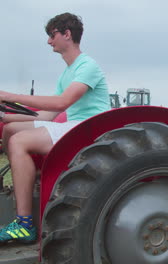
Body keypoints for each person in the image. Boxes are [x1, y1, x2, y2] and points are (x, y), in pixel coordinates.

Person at [0, 13, 110, 244]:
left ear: (67, 34)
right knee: (10, 131)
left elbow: (61, 104)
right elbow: (47, 115)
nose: (49, 41)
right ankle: (31, 180)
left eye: (52, 35)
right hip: (73, 124)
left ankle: (24, 224)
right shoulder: (66, 73)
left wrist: (9, 95)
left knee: (18, 142)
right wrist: (6, 115)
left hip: (88, 129)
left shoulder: (87, 65)